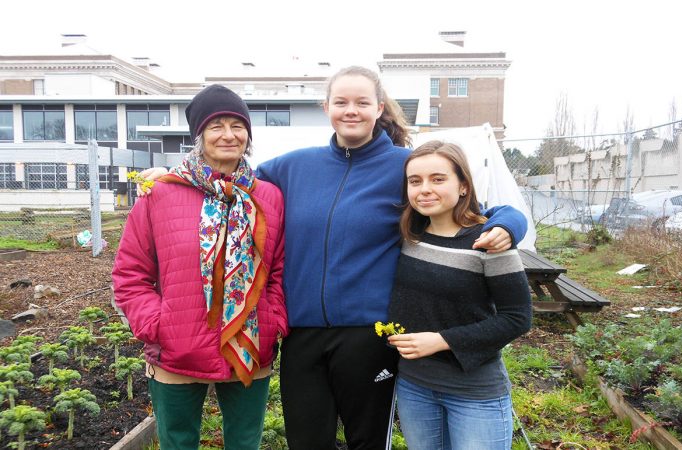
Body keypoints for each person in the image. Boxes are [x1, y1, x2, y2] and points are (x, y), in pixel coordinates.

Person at [137, 66, 528, 450]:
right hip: (303, 336)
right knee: (307, 442)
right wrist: (171, 177)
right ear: (327, 107)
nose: (351, 110)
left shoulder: (405, 167)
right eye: (341, 102)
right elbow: (227, 178)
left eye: (362, 102)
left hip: (369, 335)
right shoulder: (293, 167)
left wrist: (510, 223)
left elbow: (467, 208)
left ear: (379, 108)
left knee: (367, 441)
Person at [112, 84, 287, 450]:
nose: (229, 135)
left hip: (249, 345)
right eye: (216, 126)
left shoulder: (268, 197)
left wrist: (273, 320)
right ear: (199, 135)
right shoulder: (160, 194)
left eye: (237, 126)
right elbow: (131, 273)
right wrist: (156, 324)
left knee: (245, 443)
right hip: (177, 348)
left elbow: (279, 271)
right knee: (177, 442)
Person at [387, 140, 532, 450]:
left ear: (463, 185)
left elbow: (517, 318)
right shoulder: (407, 237)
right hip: (414, 387)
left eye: (438, 179)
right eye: (415, 181)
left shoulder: (489, 242)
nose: (425, 189)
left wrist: (442, 340)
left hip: (474, 393)